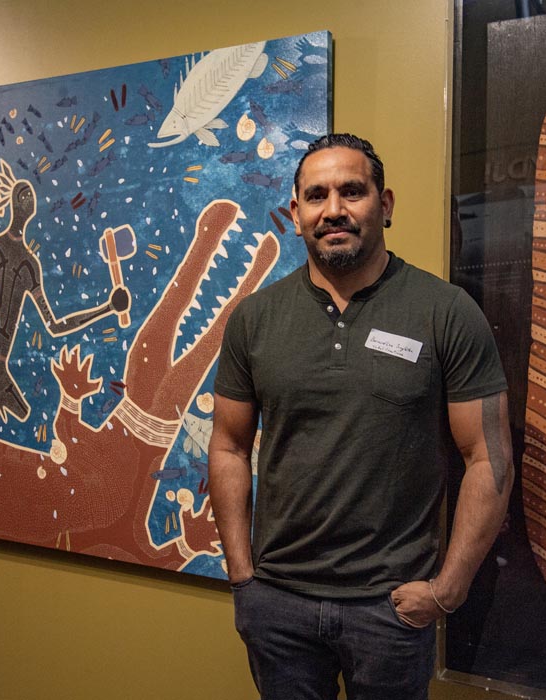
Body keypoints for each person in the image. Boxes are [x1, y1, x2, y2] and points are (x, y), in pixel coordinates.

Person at [208, 133, 512, 699]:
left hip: (390, 612)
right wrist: (243, 577)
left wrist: (447, 591)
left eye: (353, 191)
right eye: (317, 196)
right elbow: (227, 445)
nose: (334, 210)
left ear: (385, 204)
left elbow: (487, 457)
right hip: (279, 605)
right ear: (295, 212)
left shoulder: (445, 312)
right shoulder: (254, 319)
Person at [0, 161, 128, 435]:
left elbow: (54, 326)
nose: (26, 200)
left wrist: (107, 308)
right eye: (23, 196)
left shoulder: (30, 266)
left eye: (29, 197)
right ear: (17, 206)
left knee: (23, 414)